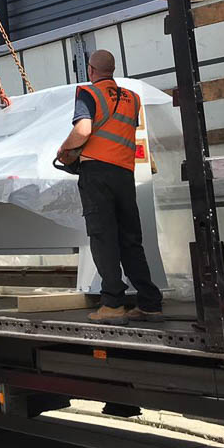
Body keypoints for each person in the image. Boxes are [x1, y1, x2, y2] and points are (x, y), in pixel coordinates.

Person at [55, 49, 163, 325]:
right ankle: (150, 303)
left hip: (97, 174)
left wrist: (63, 150)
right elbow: (121, 132)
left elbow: (83, 131)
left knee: (104, 239)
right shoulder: (132, 98)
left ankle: (113, 304)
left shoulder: (88, 94)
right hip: (124, 175)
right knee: (130, 240)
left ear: (91, 70)